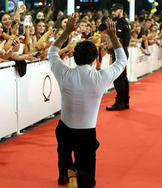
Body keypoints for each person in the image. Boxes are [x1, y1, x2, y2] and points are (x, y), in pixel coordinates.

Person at [48, 14, 127, 187]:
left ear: (74, 57)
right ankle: (79, 178)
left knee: (64, 154)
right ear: (94, 59)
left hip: (64, 128)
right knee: (87, 175)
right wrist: (113, 36)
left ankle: (64, 175)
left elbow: (52, 52)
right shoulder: (100, 78)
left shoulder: (64, 73)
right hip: (86, 133)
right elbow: (122, 60)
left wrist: (67, 31)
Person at [106, 3, 131, 111]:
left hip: (120, 52)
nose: (112, 12)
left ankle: (120, 102)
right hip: (123, 51)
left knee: (119, 78)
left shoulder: (120, 23)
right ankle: (125, 101)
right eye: (112, 10)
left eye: (115, 10)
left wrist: (108, 46)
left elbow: (118, 40)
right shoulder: (125, 22)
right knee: (123, 78)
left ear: (120, 10)